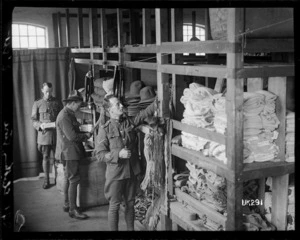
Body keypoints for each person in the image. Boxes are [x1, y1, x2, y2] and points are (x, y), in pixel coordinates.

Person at [93, 94, 157, 231]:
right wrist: (118, 154)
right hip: (116, 173)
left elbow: (143, 114)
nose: (121, 106)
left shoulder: (128, 122)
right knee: (114, 206)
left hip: (132, 171)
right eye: (117, 105)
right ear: (110, 110)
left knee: (130, 204)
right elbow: (99, 154)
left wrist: (159, 100)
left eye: (120, 103)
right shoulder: (105, 129)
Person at [55, 90, 94, 220]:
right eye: (78, 104)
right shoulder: (64, 116)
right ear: (72, 103)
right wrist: (86, 136)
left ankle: (67, 204)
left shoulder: (69, 113)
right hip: (69, 152)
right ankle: (73, 210)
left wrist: (83, 132)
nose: (80, 107)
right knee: (74, 180)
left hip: (69, 151)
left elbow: (73, 131)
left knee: (68, 178)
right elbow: (72, 136)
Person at [31, 82, 63, 189]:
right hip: (44, 135)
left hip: (56, 135)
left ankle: (58, 180)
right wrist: (40, 125)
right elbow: (34, 120)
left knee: (57, 158)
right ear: (42, 91)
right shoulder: (38, 103)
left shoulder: (57, 102)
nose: (48, 94)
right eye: (46, 92)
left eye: (50, 91)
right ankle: (46, 181)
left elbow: (62, 117)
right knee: (45, 157)